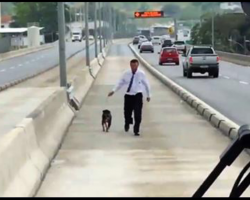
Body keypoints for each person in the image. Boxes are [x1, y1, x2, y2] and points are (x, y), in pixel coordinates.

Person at [108, 59, 151, 136]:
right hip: (128, 95)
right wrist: (113, 90)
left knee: (138, 114)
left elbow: (146, 84)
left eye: (135, 65)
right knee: (127, 113)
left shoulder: (141, 74)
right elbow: (120, 83)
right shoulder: (126, 73)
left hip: (137, 95)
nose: (133, 67)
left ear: (137, 65)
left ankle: (136, 129)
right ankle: (127, 122)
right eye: (132, 65)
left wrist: (148, 95)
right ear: (130, 65)